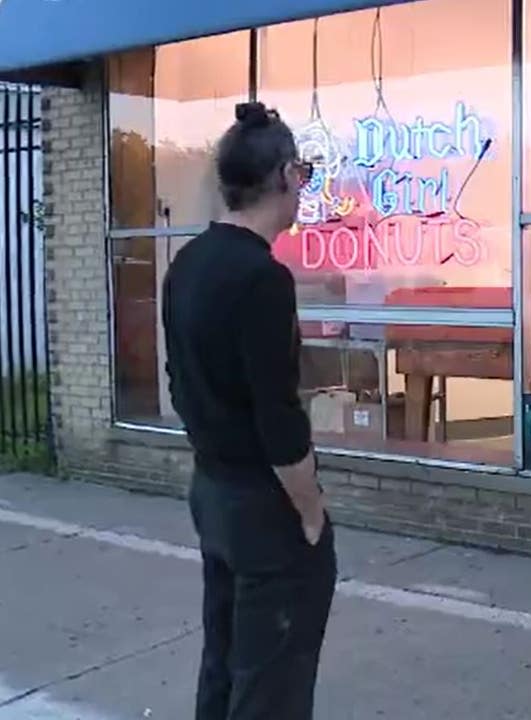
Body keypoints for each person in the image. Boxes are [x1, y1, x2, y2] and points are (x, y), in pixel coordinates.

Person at [163, 102, 336, 719]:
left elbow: (178, 381)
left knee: (226, 661)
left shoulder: (188, 263)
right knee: (272, 683)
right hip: (264, 505)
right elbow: (278, 418)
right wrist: (310, 509)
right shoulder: (262, 278)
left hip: (212, 490)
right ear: (288, 175)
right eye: (305, 175)